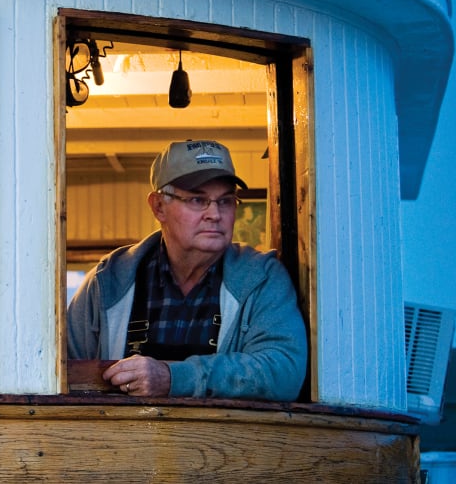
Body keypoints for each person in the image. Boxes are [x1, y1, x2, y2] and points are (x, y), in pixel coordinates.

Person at [67, 140, 307, 401]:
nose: (214, 213)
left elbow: (284, 373)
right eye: (197, 199)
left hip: (229, 442)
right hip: (127, 441)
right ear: (158, 206)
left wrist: (173, 378)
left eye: (225, 200)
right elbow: (64, 373)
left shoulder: (262, 278)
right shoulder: (107, 281)